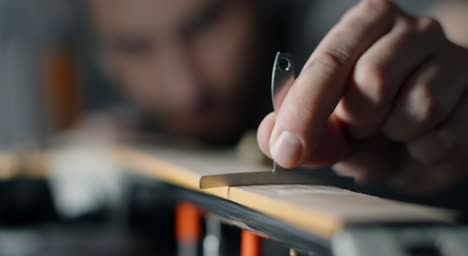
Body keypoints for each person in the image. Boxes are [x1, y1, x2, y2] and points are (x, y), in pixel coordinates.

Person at [85, 0, 468, 196]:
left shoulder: (318, 24)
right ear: (103, 55)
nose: (187, 89)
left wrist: (443, 79)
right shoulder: (107, 103)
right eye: (135, 48)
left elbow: (450, 27)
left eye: (205, 23)